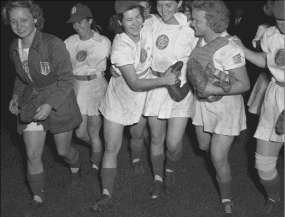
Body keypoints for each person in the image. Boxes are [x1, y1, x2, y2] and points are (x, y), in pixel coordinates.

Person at [90, 0, 179, 212]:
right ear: (119, 22)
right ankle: (106, 195)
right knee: (112, 146)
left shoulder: (147, 25)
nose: (135, 23)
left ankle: (155, 175)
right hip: (122, 96)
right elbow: (134, 83)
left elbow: (172, 16)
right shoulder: (120, 46)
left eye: (138, 17)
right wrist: (165, 81)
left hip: (146, 92)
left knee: (147, 135)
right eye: (128, 19)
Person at [1, 0, 83, 216]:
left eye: (24, 20)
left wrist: (50, 104)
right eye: (13, 21)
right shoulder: (14, 47)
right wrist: (15, 96)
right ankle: (37, 197)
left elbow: (67, 79)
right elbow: (22, 77)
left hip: (59, 99)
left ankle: (76, 167)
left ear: (35, 18)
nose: (19, 26)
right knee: (32, 154)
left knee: (63, 151)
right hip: (32, 101)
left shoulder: (52, 43)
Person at [188, 0, 250, 215]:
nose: (191, 23)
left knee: (217, 156)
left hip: (226, 109)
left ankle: (226, 197)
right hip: (203, 106)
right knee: (204, 147)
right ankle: (218, 170)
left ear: (211, 22)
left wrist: (213, 89)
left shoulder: (229, 48)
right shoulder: (200, 41)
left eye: (196, 20)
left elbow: (244, 84)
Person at [142, 0, 197, 199]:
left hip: (179, 88)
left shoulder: (189, 27)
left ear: (179, 3)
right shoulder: (150, 23)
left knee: (173, 143)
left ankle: (170, 170)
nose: (163, 10)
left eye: (169, 5)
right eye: (160, 5)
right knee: (156, 138)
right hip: (155, 84)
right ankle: (157, 178)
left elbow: (197, 60)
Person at [233, 0, 284, 215]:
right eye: (280, 20)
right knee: (263, 164)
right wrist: (242, 49)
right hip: (277, 95)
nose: (283, 26)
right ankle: (274, 196)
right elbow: (265, 62)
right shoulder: (271, 34)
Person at [64, 3, 111, 178]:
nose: (77, 26)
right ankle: (101, 149)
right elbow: (62, 65)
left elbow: (117, 63)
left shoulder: (103, 41)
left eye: (80, 22)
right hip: (77, 88)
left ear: (90, 20)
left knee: (93, 131)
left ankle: (95, 163)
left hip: (96, 87)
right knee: (80, 132)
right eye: (74, 23)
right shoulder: (70, 42)